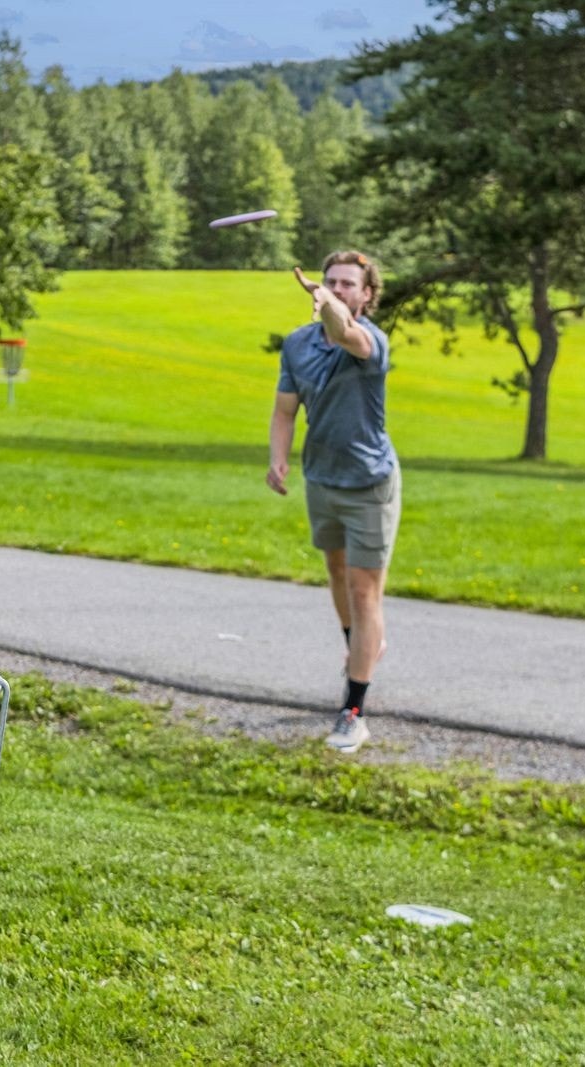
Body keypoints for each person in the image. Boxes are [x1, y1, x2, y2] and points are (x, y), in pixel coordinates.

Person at [266, 250, 399, 754]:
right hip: (321, 479)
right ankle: (364, 648)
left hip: (370, 484)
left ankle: (354, 709)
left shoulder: (371, 343)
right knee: (338, 578)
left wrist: (327, 305)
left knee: (365, 593)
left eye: (349, 284)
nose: (339, 288)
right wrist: (278, 459)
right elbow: (284, 410)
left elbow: (344, 332)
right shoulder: (298, 345)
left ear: (367, 295)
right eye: (331, 281)